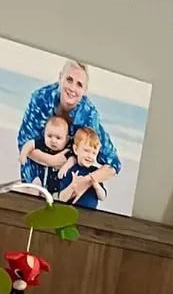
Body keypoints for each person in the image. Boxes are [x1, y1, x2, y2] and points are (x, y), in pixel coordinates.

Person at [15, 59, 119, 199]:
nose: (72, 88)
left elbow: (113, 164)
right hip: (35, 172)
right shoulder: (41, 98)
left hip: (66, 182)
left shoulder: (88, 115)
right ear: (60, 78)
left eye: (79, 84)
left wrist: (87, 181)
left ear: (85, 90)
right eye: (69, 80)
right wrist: (50, 160)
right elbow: (24, 142)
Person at [54, 127, 110, 210]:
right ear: (76, 149)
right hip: (70, 213)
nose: (90, 156)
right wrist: (72, 186)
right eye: (86, 150)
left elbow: (102, 197)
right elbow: (62, 198)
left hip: (90, 215)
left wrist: (96, 185)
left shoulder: (95, 172)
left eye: (94, 153)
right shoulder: (70, 170)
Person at [19, 109, 72, 192]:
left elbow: (73, 159)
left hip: (56, 185)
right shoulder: (43, 144)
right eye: (49, 136)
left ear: (66, 139)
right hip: (40, 179)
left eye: (58, 138)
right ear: (44, 134)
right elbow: (30, 144)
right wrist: (23, 154)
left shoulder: (67, 149)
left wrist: (66, 166)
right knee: (35, 186)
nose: (53, 141)